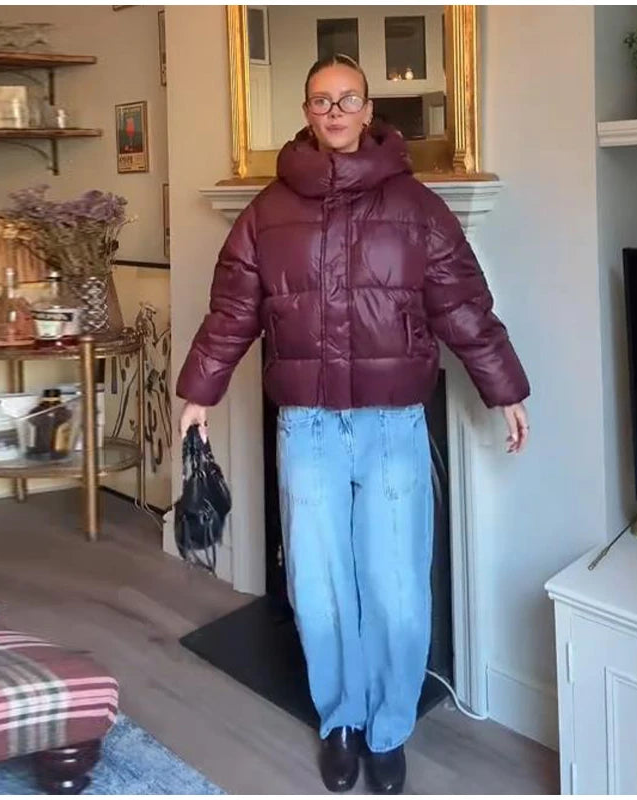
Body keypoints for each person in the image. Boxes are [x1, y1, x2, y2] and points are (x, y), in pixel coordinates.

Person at [177, 54, 530, 795]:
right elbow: (233, 309)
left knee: (398, 586)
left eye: (348, 99)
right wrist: (200, 391)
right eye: (320, 100)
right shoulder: (266, 211)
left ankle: (389, 726)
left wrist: (503, 387)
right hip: (305, 426)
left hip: (394, 423)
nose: (334, 111)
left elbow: (462, 303)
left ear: (370, 110)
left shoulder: (418, 206)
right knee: (318, 583)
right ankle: (340, 720)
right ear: (306, 111)